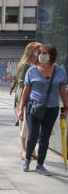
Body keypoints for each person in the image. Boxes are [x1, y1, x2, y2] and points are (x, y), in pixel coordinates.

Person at [19, 44, 68, 176]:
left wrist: (66, 108)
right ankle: (27, 160)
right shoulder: (32, 71)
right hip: (34, 107)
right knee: (33, 135)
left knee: (45, 137)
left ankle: (40, 164)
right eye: (40, 53)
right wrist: (20, 107)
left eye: (44, 53)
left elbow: (63, 91)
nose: (41, 55)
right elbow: (26, 90)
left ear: (51, 55)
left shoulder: (60, 71)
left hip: (51, 108)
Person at [15, 42, 42, 160]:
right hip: (25, 100)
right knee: (24, 126)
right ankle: (24, 149)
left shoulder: (39, 65)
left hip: (36, 101)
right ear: (31, 52)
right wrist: (21, 104)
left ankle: (32, 149)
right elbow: (21, 84)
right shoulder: (26, 65)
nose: (40, 53)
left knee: (33, 128)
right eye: (38, 51)